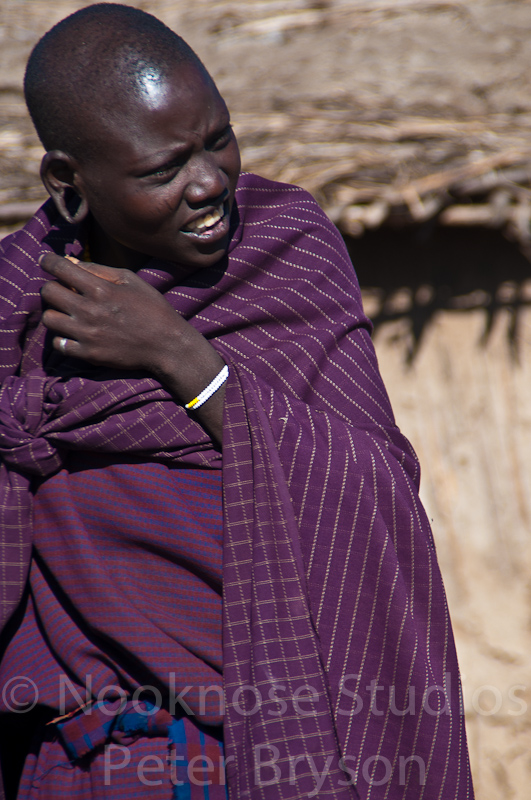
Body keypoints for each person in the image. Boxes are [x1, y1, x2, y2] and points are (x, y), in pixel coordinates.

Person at [0, 4, 474, 799]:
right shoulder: (15, 307)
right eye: (163, 170)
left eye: (217, 139)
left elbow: (374, 490)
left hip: (259, 754)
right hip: (76, 768)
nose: (209, 182)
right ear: (68, 184)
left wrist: (183, 359)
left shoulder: (287, 251)